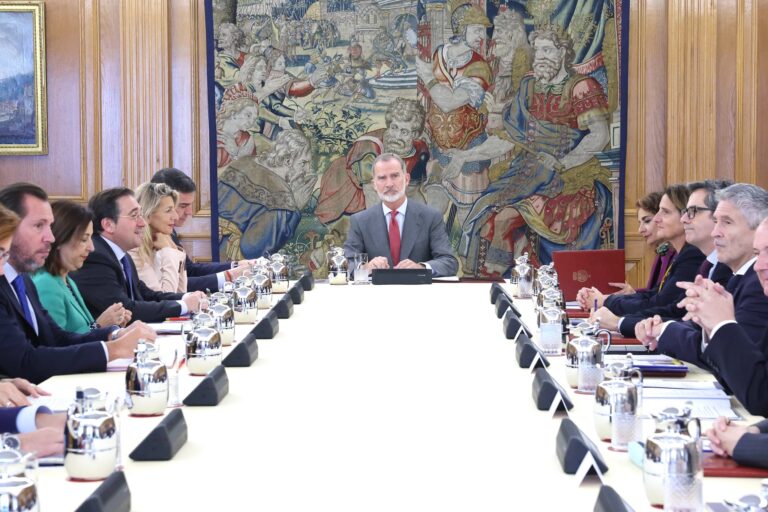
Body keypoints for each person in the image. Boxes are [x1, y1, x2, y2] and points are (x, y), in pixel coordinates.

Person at [443, 26, 612, 275]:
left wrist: (564, 162)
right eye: (538, 51)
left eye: (547, 50)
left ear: (563, 52)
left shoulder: (581, 87)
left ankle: (496, 277)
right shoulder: (528, 87)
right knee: (484, 218)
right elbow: (508, 140)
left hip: (565, 177)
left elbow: (600, 135)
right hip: (525, 174)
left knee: (504, 219)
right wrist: (465, 156)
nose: (540, 57)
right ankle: (501, 280)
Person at [0, 184, 154, 383]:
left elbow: (57, 338)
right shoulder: (28, 282)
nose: (51, 238)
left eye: (50, 226)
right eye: (39, 226)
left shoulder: (22, 281)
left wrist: (114, 335)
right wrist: (112, 349)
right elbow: (25, 361)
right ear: (10, 228)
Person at [636, 186, 768, 416]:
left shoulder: (755, 285)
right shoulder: (740, 277)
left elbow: (757, 390)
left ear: (757, 228)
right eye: (716, 221)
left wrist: (720, 325)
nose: (716, 232)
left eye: (726, 222)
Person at [596, 181, 733, 335]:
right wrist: (620, 318)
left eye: (692, 212)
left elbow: (676, 313)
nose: (684, 219)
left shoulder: (700, 258)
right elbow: (674, 309)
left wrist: (618, 320)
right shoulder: (705, 261)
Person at [71, 187, 206, 324]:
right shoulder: (95, 257)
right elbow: (126, 309)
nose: (143, 223)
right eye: (134, 216)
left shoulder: (123, 256)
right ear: (108, 225)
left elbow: (147, 295)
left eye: (141, 215)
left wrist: (187, 298)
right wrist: (184, 306)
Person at [579, 184, 704, 329]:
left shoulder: (692, 255)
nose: (657, 219)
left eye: (665, 212)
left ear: (686, 216)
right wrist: (610, 303)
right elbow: (654, 295)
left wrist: (615, 316)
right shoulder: (679, 254)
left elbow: (662, 305)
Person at [315, 97, 430, 225]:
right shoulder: (370, 147)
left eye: (404, 132)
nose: (396, 136)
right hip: (351, 190)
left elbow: (413, 191)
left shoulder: (420, 151)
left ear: (414, 135)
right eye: (394, 127)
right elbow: (372, 195)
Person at [343, 153, 458, 277]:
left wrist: (421, 267)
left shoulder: (431, 217)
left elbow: (449, 262)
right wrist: (366, 267)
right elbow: (348, 264)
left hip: (417, 288)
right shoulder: (360, 221)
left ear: (406, 179)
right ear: (374, 184)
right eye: (382, 178)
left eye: (395, 176)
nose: (389, 184)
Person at [31, 201, 130, 333]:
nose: (91, 248)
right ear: (59, 239)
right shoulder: (46, 284)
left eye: (90, 238)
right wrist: (99, 326)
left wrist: (112, 327)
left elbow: (82, 331)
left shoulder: (68, 280)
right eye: (84, 239)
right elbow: (56, 342)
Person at [218, 129, 317, 260]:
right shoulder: (280, 196)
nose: (307, 170)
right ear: (288, 161)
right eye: (303, 163)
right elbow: (253, 249)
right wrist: (296, 210)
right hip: (230, 258)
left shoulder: (243, 162)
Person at [150, 168, 251, 293]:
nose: (189, 212)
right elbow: (169, 290)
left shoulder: (167, 230)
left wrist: (236, 266)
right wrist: (229, 276)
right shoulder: (145, 238)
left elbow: (189, 270)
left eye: (190, 205)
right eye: (183, 206)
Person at [128, 182, 187, 293]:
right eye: (168, 210)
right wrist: (169, 251)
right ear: (147, 214)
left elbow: (181, 294)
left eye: (174, 210)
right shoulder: (134, 252)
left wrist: (174, 249)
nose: (176, 217)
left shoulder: (159, 245)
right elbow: (166, 297)